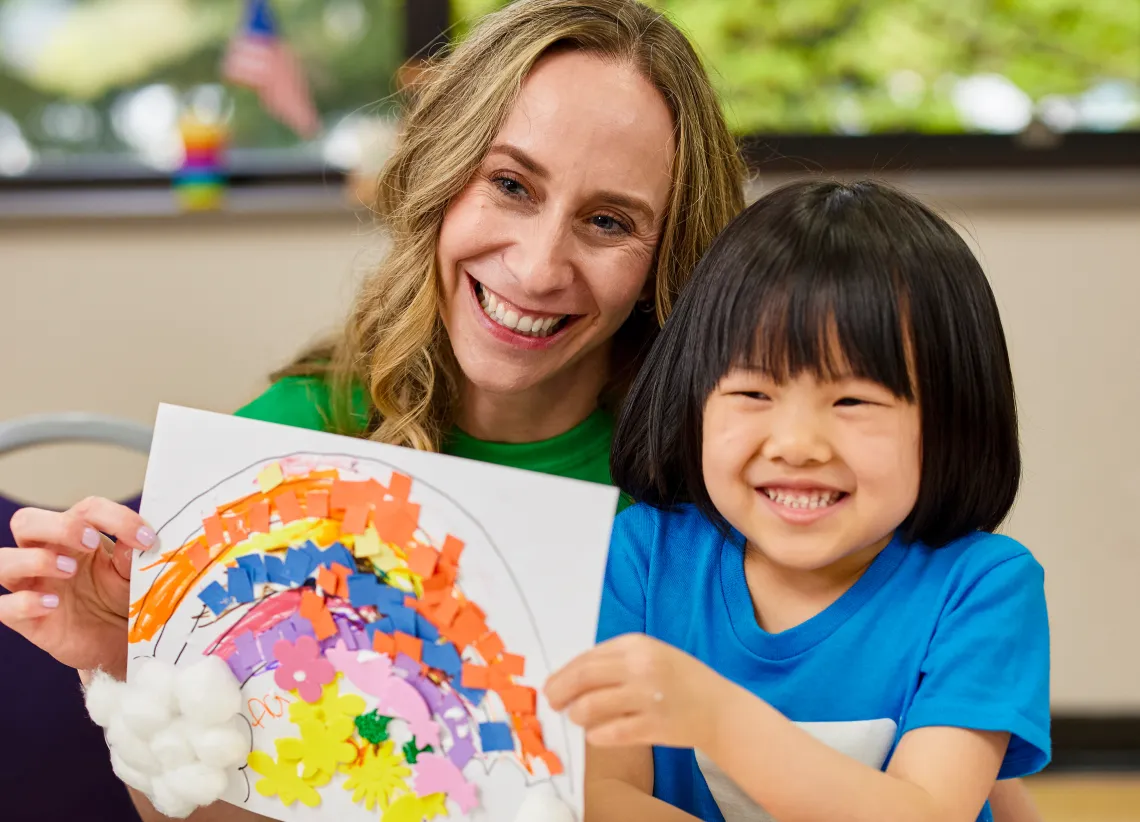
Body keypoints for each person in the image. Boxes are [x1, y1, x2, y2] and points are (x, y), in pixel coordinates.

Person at [0, 1, 1041, 818]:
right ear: (441, 179)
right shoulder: (296, 437)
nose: (538, 266)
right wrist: (132, 670)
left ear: (669, 261)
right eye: (509, 185)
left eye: (607, 220)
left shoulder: (717, 485)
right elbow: (219, 813)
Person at [546, 180, 1051, 822]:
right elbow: (603, 797)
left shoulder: (982, 588)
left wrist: (719, 718)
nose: (796, 445)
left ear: (952, 420)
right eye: (753, 393)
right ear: (695, 401)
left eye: (853, 401)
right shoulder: (641, 558)